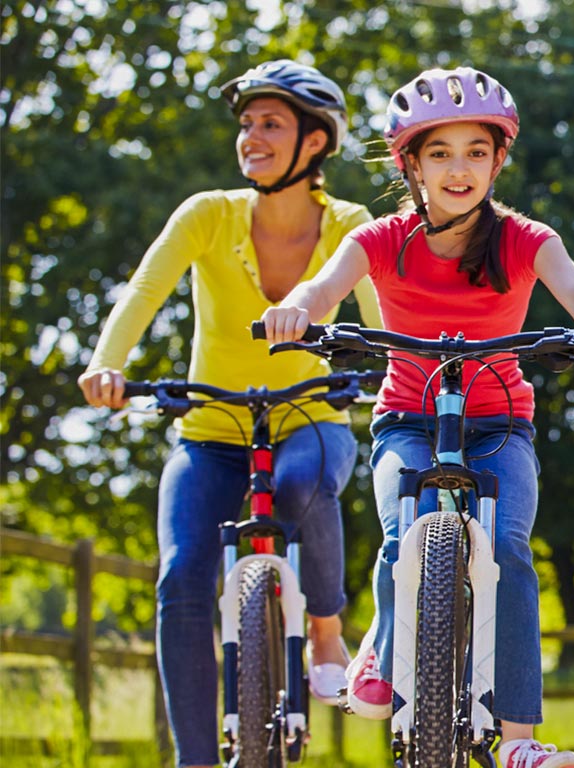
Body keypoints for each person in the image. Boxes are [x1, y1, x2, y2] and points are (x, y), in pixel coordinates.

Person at [259, 66, 574, 768]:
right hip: (407, 417)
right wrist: (297, 310)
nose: (458, 168)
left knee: (511, 551)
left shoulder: (524, 237)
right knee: (404, 529)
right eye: (439, 152)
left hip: (499, 424)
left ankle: (520, 742)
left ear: (498, 161)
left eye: (475, 151)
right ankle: (385, 643)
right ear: (410, 164)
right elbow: (321, 287)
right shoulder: (380, 239)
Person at [75, 58, 378, 768]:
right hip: (210, 432)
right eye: (246, 124)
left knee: (305, 484)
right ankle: (196, 761)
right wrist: (105, 362)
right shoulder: (207, 214)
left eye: (271, 123)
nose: (251, 136)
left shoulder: (351, 225)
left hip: (311, 420)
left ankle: (328, 629)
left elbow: (384, 319)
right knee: (181, 577)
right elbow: (144, 292)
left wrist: (401, 381)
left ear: (315, 142)